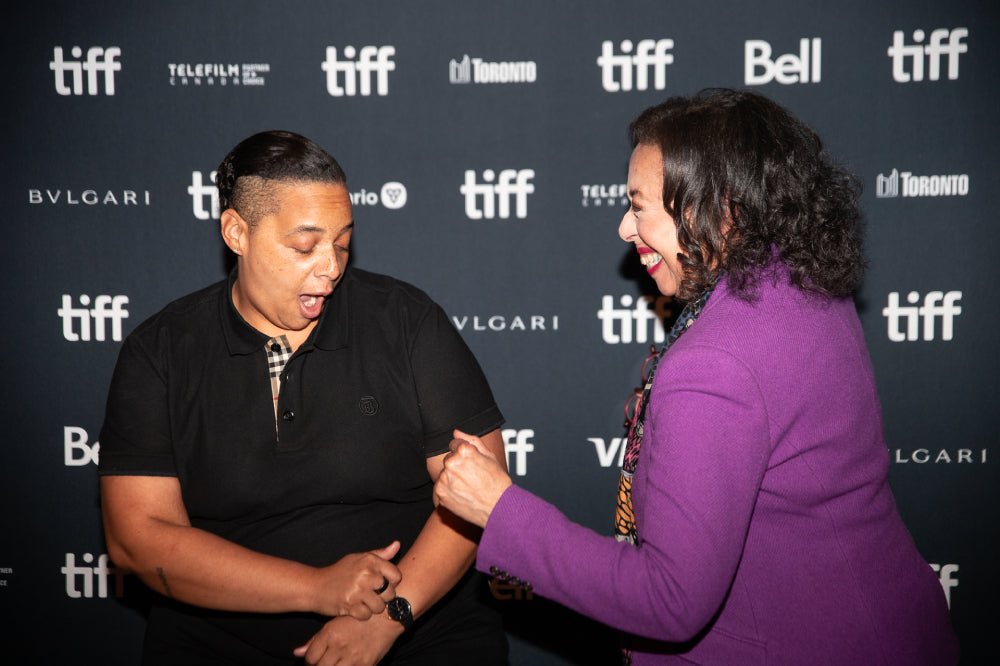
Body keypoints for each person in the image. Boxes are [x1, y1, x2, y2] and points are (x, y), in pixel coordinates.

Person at [434, 89, 960, 665]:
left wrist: (501, 509)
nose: (624, 228)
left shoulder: (715, 365)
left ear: (722, 206)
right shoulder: (798, 279)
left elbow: (671, 599)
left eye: (639, 205)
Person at [99, 130, 509, 666]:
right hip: (218, 641)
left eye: (341, 243)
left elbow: (482, 492)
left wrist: (389, 619)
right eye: (303, 245)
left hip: (416, 631)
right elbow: (137, 540)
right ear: (236, 232)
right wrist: (317, 588)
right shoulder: (161, 351)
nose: (331, 267)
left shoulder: (407, 322)